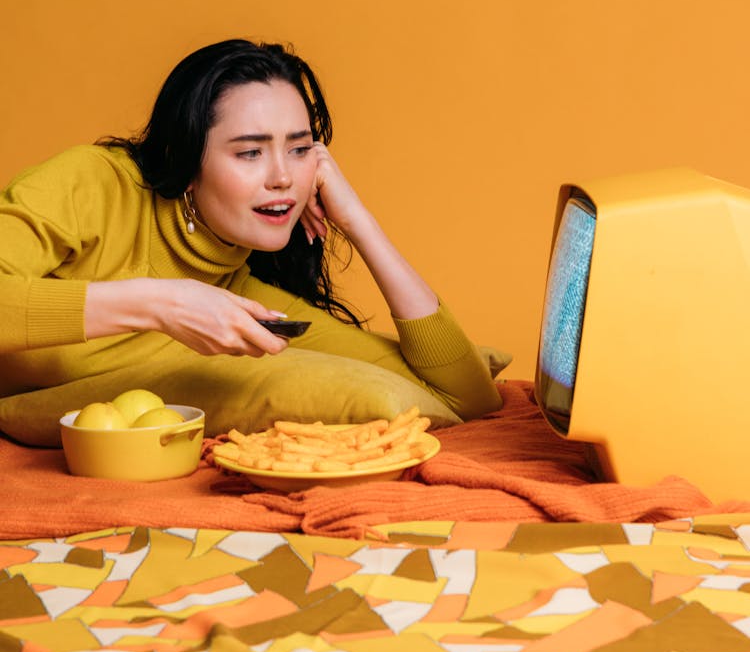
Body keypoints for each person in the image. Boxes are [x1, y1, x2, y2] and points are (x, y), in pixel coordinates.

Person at [0, 39, 505, 445]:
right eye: (250, 153)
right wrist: (162, 304)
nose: (283, 178)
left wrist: (358, 220)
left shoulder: (235, 292)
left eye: (301, 148)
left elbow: (467, 397)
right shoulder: (93, 185)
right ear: (185, 160)